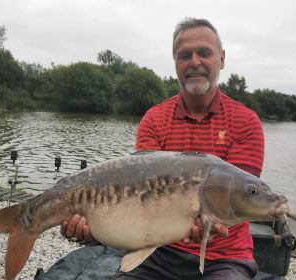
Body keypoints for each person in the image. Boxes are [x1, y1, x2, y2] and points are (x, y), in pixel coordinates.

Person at [61, 17, 265, 279]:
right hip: (157, 251)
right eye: (184, 55)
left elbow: (239, 200)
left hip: (225, 257)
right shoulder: (154, 119)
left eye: (204, 52)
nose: (194, 62)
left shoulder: (246, 121)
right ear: (176, 64)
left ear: (222, 59)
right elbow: (138, 200)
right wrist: (95, 227)